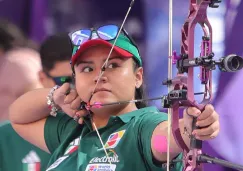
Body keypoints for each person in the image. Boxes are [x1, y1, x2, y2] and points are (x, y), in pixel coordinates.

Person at [9, 24, 220, 171]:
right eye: (87, 69)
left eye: (112, 66)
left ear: (138, 77)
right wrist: (56, 97)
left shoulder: (143, 126)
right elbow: (18, 116)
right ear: (75, 80)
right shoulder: (72, 130)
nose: (99, 76)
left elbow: (165, 140)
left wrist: (188, 128)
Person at [0, 32, 73, 171]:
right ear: (42, 78)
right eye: (64, 81)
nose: (75, 89)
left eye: (84, 74)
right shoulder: (6, 137)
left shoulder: (110, 130)